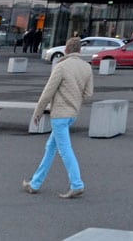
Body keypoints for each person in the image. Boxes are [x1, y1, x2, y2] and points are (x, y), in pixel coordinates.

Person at [23, 36, 94, 198]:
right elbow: (88, 93)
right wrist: (76, 99)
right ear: (80, 50)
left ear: (66, 50)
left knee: (64, 150)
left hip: (59, 114)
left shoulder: (61, 67)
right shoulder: (86, 67)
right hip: (73, 113)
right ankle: (35, 183)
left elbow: (48, 91)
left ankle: (77, 184)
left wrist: (38, 112)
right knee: (51, 148)